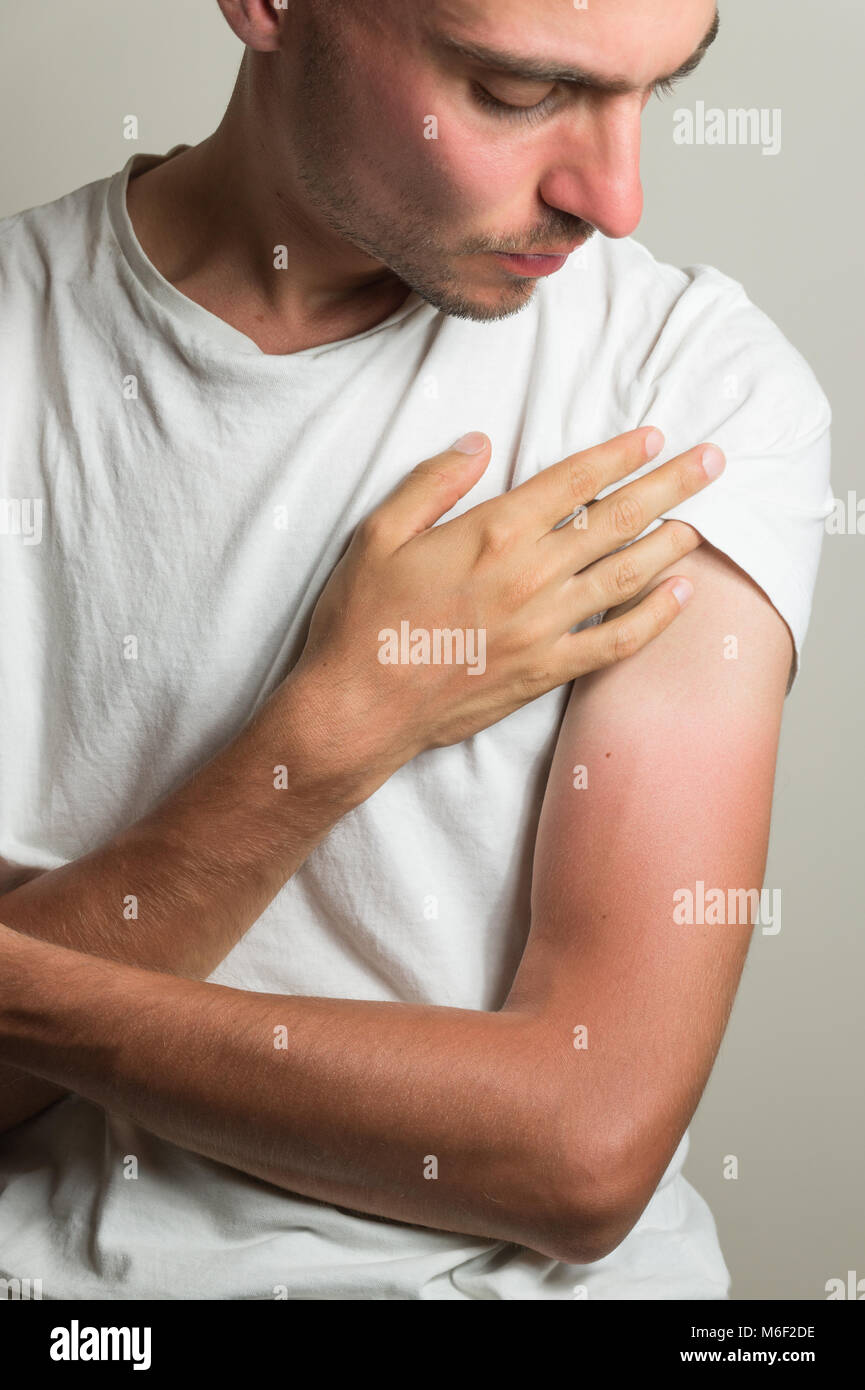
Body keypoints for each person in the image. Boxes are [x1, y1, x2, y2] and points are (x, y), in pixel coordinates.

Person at [0, 0, 831, 1300]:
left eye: (656, 91)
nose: (612, 197)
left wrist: (25, 980)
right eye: (513, 92)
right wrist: (333, 729)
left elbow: (579, 1150)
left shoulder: (686, 391)